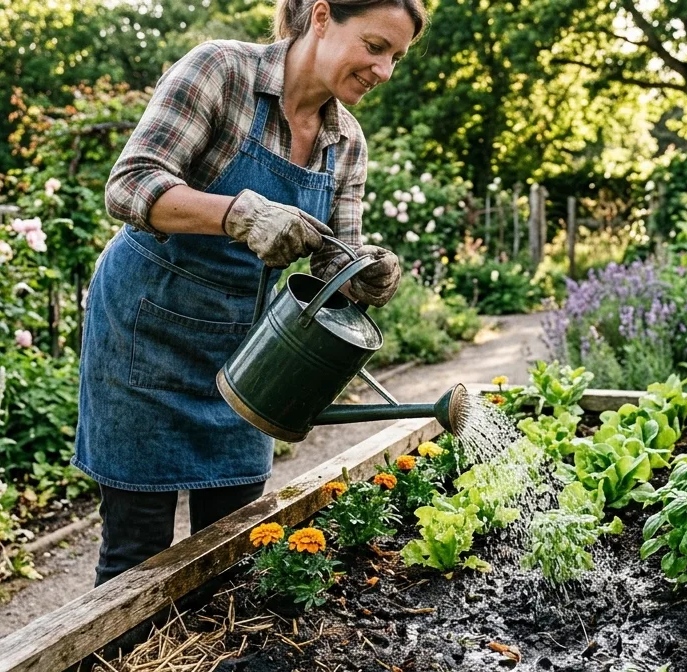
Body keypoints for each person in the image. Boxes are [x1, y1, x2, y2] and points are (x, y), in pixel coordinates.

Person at [75, 0, 425, 585]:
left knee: (235, 544)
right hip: (144, 338)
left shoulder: (346, 142)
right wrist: (238, 214)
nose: (384, 71)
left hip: (247, 355)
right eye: (374, 46)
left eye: (396, 57)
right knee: (135, 553)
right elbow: (130, 185)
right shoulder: (220, 72)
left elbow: (334, 262)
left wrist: (363, 273)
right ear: (321, 17)